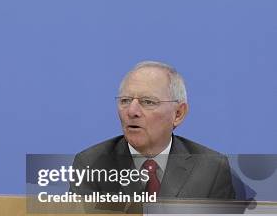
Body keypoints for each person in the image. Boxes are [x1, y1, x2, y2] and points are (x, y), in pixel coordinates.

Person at [71, 61, 234, 199]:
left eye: (148, 102)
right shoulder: (91, 164)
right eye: (125, 100)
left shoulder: (211, 168)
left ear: (178, 113)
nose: (132, 111)